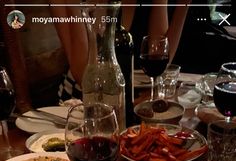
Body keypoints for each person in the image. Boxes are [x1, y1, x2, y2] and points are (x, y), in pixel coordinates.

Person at [50, 0, 191, 101]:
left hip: (133, 98)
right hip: (81, 102)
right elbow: (83, 76)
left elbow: (158, 58)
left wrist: (184, 5)